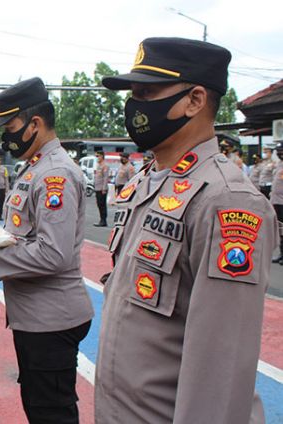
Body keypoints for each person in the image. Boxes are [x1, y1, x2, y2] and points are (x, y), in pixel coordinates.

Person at [96, 37, 277, 423]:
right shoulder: (150, 180)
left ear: (195, 101)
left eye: (147, 92)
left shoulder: (227, 201)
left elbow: (220, 372)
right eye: (134, 93)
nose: (134, 106)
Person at [0, 77, 94, 424]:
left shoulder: (55, 175)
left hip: (51, 317)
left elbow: (54, 254)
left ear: (35, 123)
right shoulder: (35, 166)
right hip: (38, 315)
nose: (5, 137)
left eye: (10, 127)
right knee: (40, 406)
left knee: (51, 412)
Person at [271, 142, 283, 265]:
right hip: (276, 201)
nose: (280, 154)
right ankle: (281, 253)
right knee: (280, 229)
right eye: (278, 152)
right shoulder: (279, 164)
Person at [93, 151, 109, 226]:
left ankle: (103, 220)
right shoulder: (98, 165)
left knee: (102, 204)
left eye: (98, 156)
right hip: (97, 188)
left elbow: (105, 178)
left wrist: (104, 188)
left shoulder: (105, 165)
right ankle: (101, 219)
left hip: (102, 188)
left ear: (102, 156)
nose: (97, 158)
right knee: (99, 204)